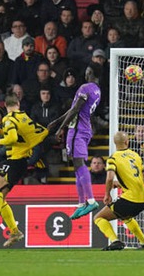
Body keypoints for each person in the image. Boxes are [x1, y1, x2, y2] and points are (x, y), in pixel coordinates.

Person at [0, 93, 48, 247]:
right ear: (18, 104)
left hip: (15, 160)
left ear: (5, 107)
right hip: (16, 161)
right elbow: (22, 132)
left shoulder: (8, 118)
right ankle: (14, 231)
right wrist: (0, 131)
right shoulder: (24, 117)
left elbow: (13, 137)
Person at [47, 63, 103, 220]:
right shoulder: (97, 90)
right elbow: (74, 108)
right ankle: (81, 204)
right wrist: (57, 121)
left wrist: (60, 128)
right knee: (77, 167)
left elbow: (75, 109)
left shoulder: (85, 87)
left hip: (77, 130)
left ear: (89, 72)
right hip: (85, 130)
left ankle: (91, 201)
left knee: (79, 165)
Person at [93, 131, 144, 250]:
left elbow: (109, 177)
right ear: (127, 142)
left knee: (99, 218)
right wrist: (121, 184)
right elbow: (140, 178)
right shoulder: (136, 155)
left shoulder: (113, 158)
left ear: (115, 143)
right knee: (125, 216)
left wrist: (107, 194)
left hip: (130, 200)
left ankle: (115, 241)